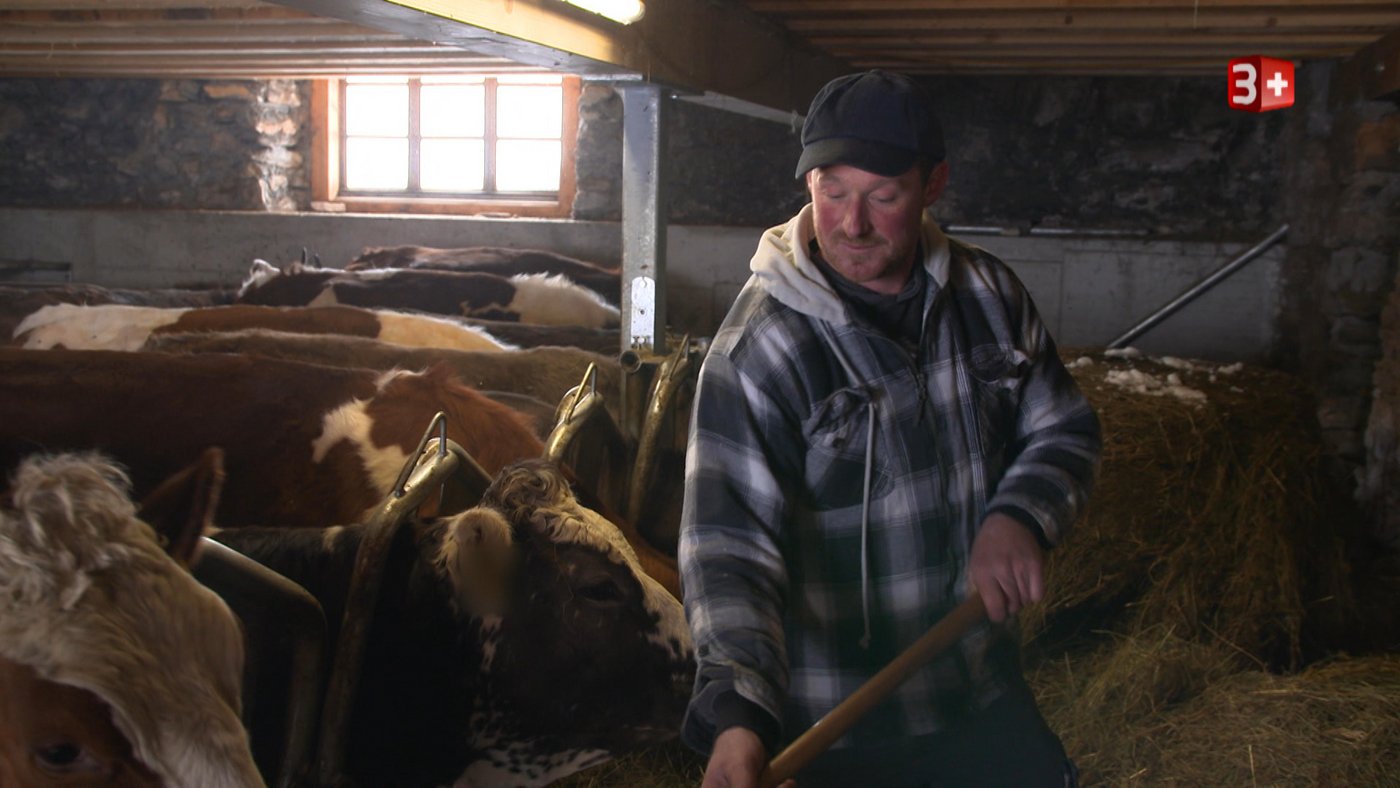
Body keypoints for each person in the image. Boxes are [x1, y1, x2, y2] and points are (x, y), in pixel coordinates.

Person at [678, 69, 1102, 788]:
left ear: (932, 185)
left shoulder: (988, 297)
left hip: (977, 686)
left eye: (883, 195)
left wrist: (1020, 515)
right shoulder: (762, 350)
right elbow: (728, 547)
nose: (852, 222)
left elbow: (1062, 428)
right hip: (837, 727)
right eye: (832, 191)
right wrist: (740, 713)